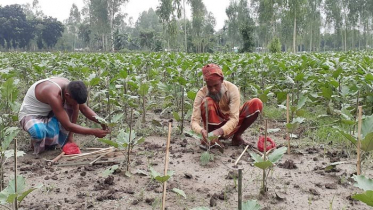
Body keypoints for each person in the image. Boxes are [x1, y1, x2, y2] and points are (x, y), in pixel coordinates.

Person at [18, 77, 110, 154]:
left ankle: (61, 139)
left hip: (49, 113)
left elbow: (84, 109)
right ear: (67, 95)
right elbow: (67, 125)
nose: (75, 105)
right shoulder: (52, 94)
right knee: (38, 132)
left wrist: (101, 121)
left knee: (73, 106)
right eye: (75, 102)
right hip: (31, 115)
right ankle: (36, 143)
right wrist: (93, 132)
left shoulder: (71, 88)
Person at [190, 64, 263, 148]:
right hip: (211, 129)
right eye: (210, 87)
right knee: (207, 102)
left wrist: (219, 131)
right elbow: (194, 121)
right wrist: (201, 131)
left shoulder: (232, 89)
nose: (213, 90)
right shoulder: (201, 94)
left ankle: (237, 137)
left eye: (216, 85)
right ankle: (212, 140)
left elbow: (234, 119)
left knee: (256, 103)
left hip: (230, 124)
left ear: (221, 80)